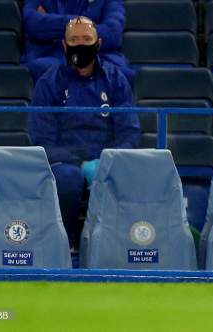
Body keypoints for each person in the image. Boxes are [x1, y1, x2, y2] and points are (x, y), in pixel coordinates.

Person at [29, 16, 140, 246]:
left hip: (107, 158)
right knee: (69, 179)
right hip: (66, 163)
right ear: (64, 45)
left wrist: (107, 161)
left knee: (127, 176)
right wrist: (80, 164)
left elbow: (129, 132)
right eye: (74, 39)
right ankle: (65, 245)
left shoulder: (116, 79)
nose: (80, 45)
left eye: (86, 39)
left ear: (98, 43)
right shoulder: (48, 82)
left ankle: (114, 247)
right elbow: (42, 141)